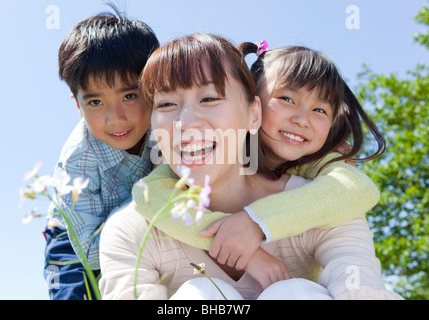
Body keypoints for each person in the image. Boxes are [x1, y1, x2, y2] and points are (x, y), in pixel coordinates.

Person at [98, 33, 402, 299]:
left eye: (209, 98)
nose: (186, 123)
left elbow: (360, 287)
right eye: (166, 104)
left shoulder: (324, 202)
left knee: (292, 293)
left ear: (253, 114)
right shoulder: (131, 230)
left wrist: (259, 222)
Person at [43, 10, 159, 300]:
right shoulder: (77, 160)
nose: (115, 118)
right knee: (75, 294)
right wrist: (153, 197)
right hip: (77, 239)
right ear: (78, 106)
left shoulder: (168, 127)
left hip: (147, 224)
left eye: (129, 96)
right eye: (95, 101)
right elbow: (91, 256)